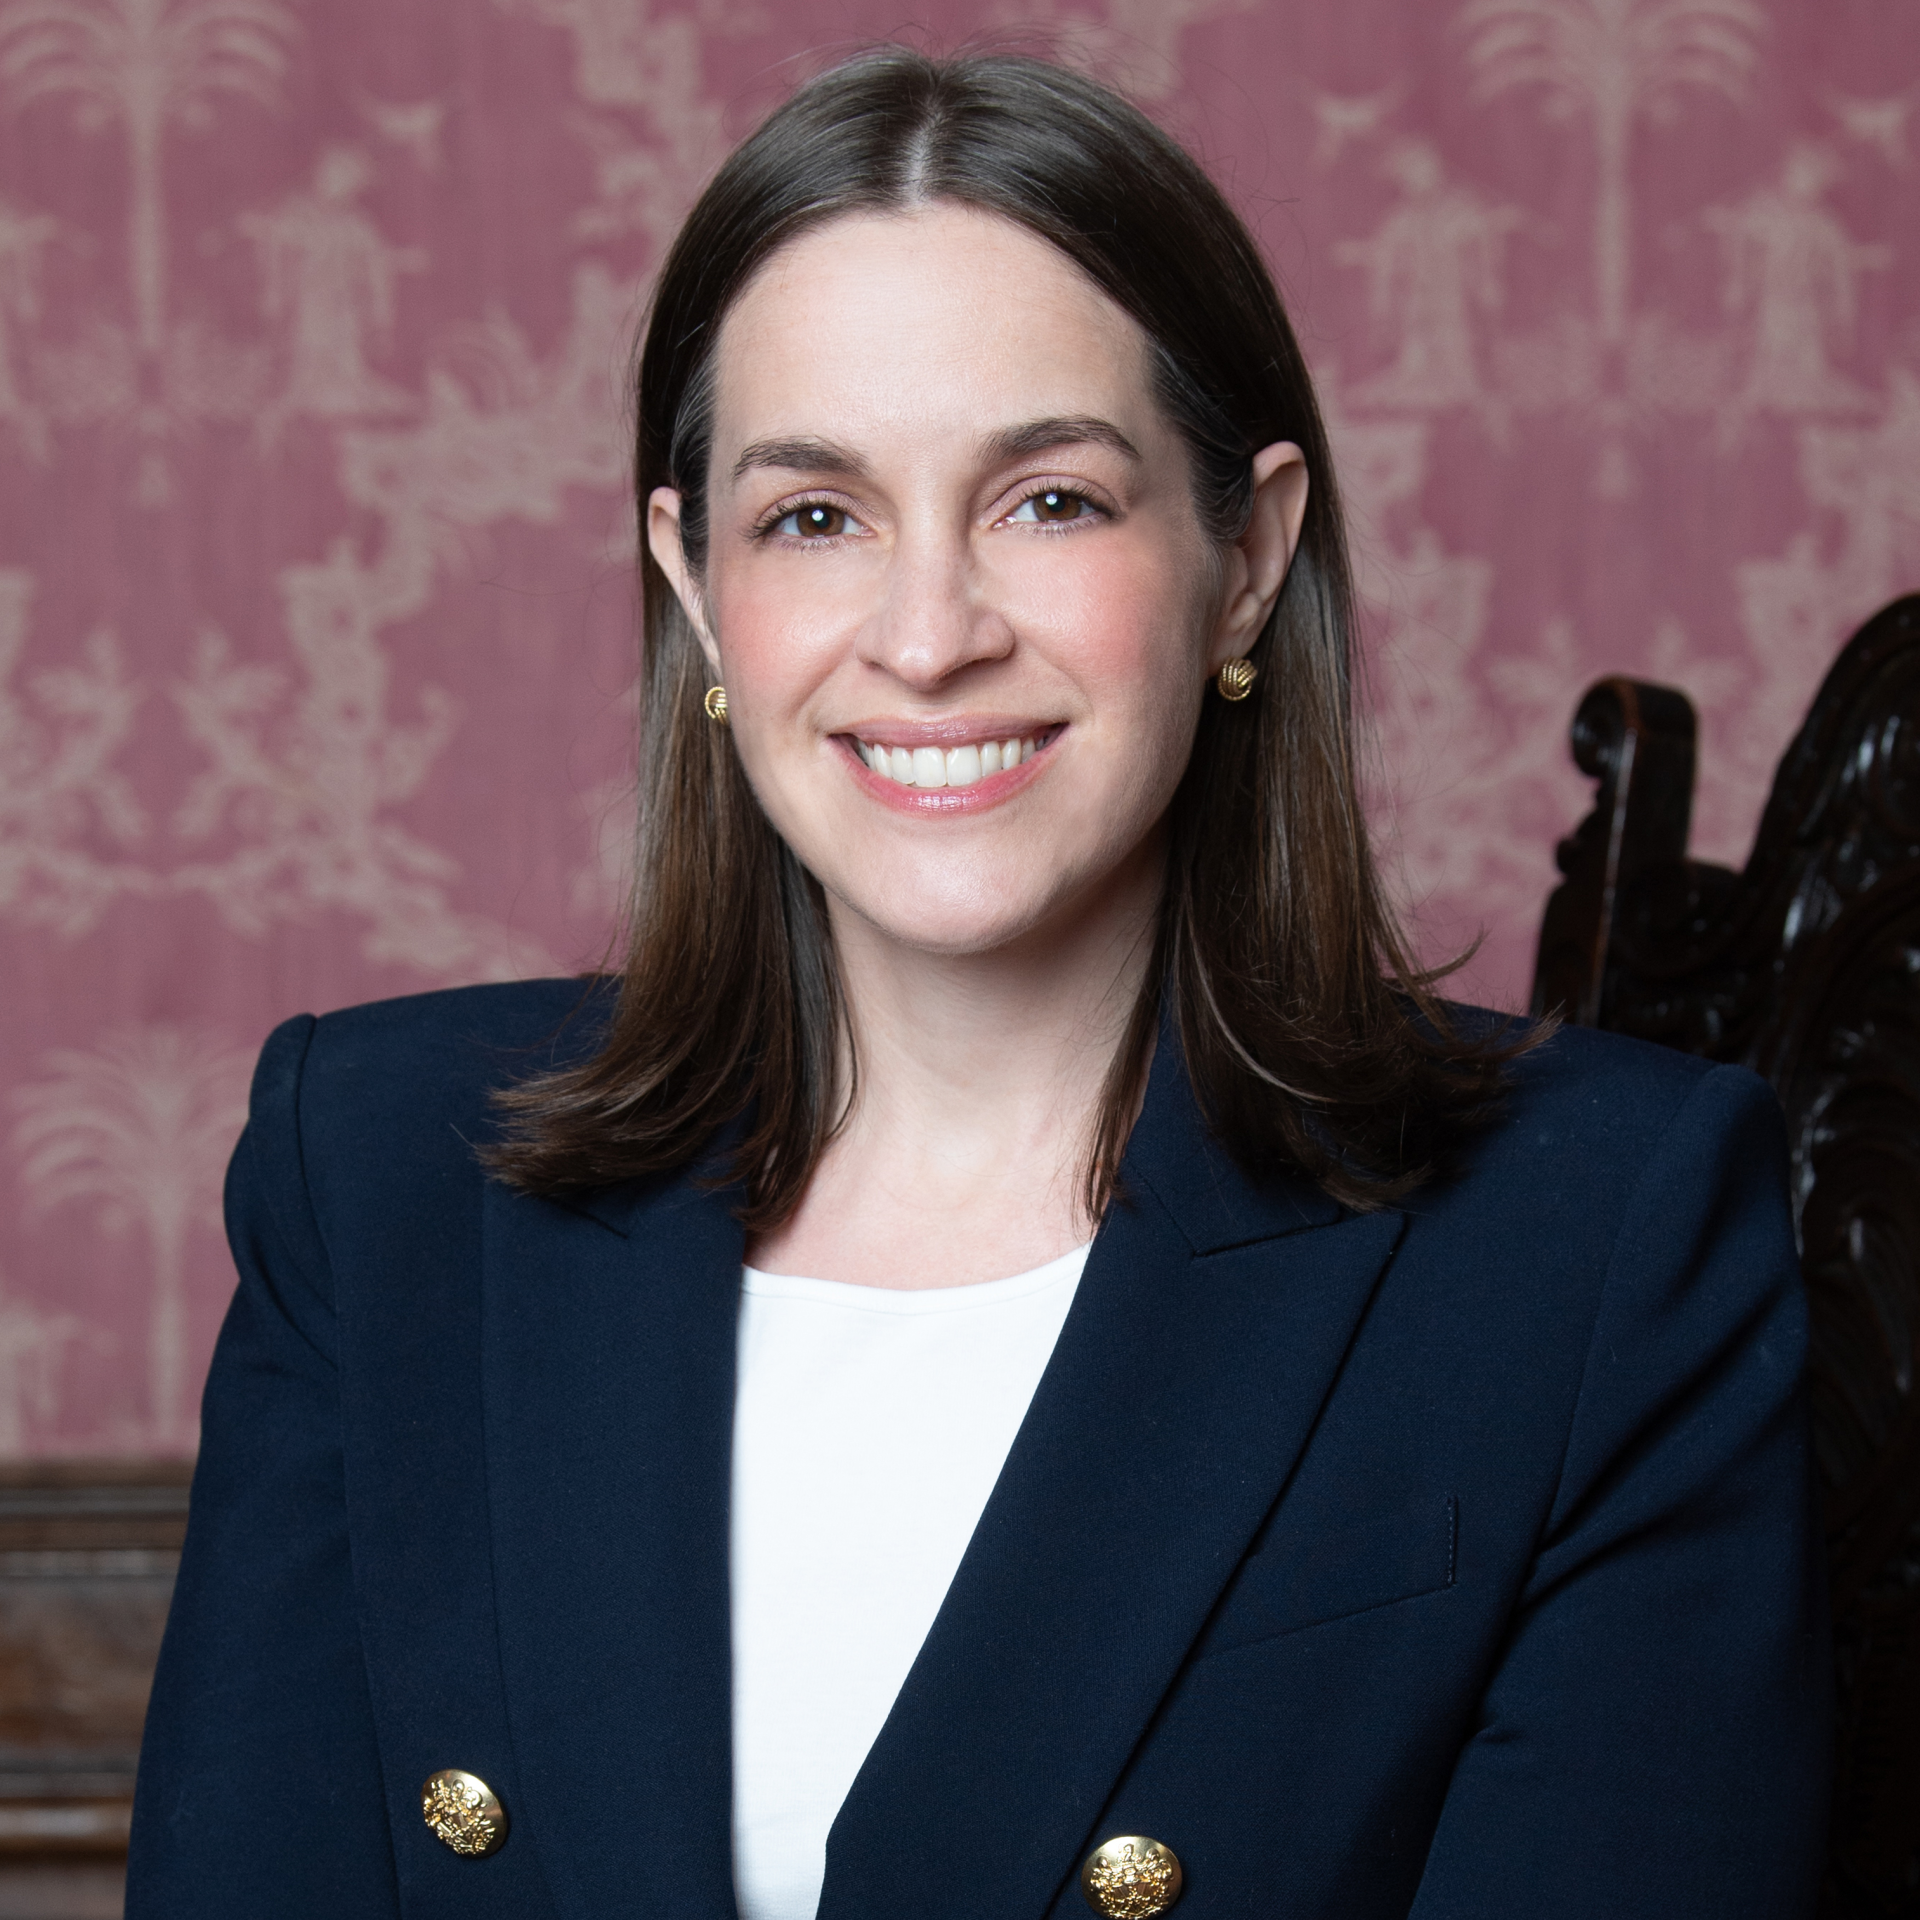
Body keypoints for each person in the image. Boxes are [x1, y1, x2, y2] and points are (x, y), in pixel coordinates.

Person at [125, 47, 1829, 1920]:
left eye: (1051, 501)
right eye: (816, 517)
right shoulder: (376, 1181)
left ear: (1246, 558)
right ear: (695, 587)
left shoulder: (1597, 1237)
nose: (929, 638)